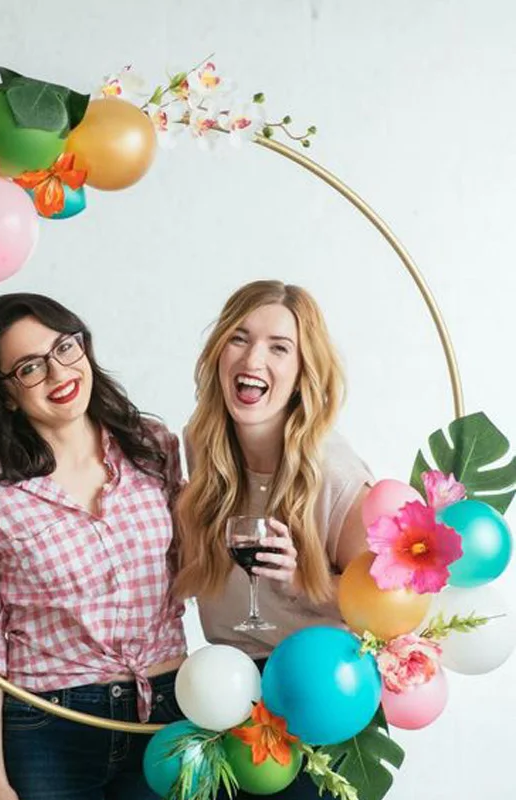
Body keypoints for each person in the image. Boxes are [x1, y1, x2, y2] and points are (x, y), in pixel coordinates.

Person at [0, 293, 187, 800]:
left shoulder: (153, 446)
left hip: (167, 708)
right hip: (49, 724)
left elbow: (191, 566)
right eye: (30, 367)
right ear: (7, 394)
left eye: (64, 348)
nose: (58, 373)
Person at [174, 280, 374, 799]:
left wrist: (300, 581)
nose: (252, 359)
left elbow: (377, 615)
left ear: (304, 371)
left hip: (317, 696)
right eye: (239, 338)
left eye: (279, 347)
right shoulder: (202, 444)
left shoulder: (334, 472)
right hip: (228, 693)